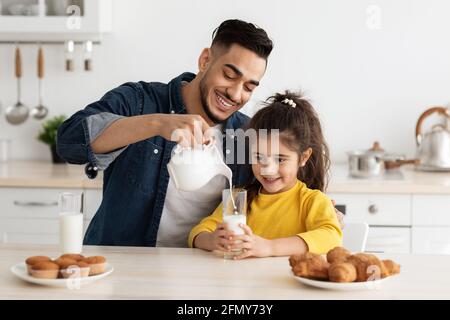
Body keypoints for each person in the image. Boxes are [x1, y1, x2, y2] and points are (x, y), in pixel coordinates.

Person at [56, 19, 274, 246]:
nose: (236, 94)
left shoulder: (246, 135)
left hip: (204, 269)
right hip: (125, 266)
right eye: (229, 76)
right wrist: (157, 124)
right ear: (205, 60)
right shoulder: (139, 101)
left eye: (249, 87)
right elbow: (69, 141)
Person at [190, 91, 342, 258]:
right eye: (259, 157)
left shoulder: (312, 201)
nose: (267, 169)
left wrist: (269, 248)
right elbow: (198, 232)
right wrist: (212, 240)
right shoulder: (239, 199)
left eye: (280, 159)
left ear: (303, 157)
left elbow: (331, 237)